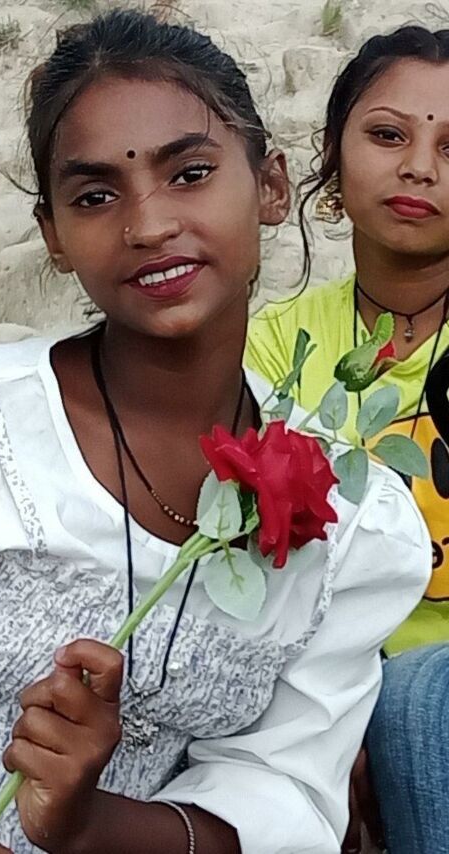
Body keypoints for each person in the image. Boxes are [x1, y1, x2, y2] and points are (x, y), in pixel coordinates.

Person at [0, 11, 430, 854]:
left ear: (272, 186)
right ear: (54, 237)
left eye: (191, 173)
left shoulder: (348, 526)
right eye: (95, 196)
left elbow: (281, 793)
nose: (148, 225)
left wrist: (88, 821)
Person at [245, 25, 449, 854]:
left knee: (420, 703)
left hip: (434, 692)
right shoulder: (273, 348)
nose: (420, 167)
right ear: (332, 156)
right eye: (389, 135)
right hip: (317, 684)